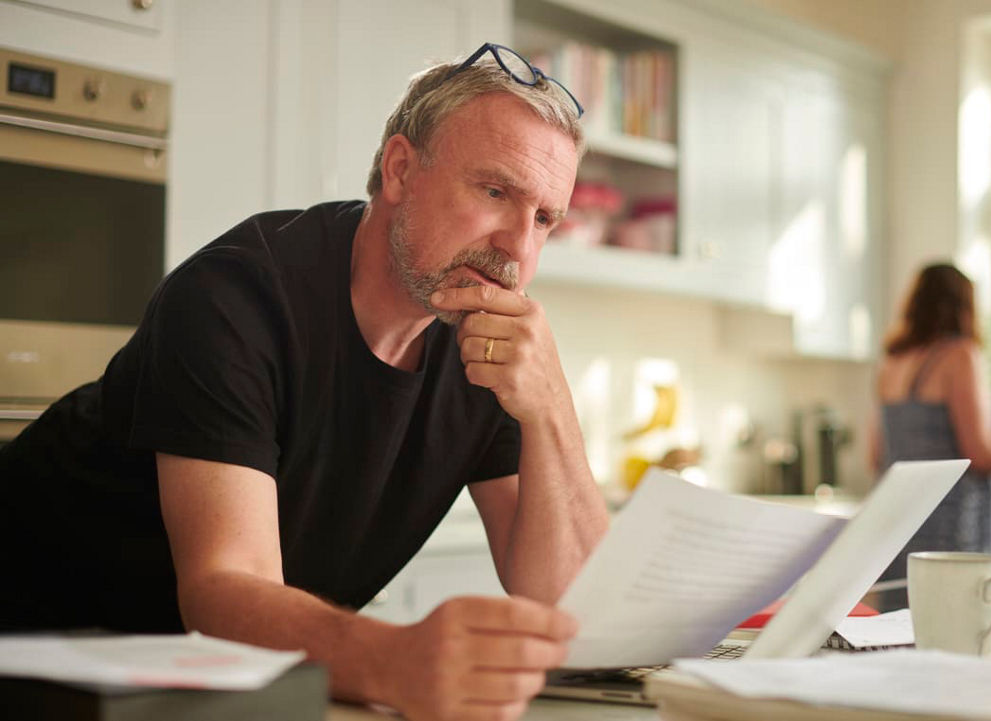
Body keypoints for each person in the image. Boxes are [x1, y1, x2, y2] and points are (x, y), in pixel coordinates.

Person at [0, 43, 610, 720]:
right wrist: (393, 657)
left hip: (205, 688)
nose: (519, 251)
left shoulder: (486, 338)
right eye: (496, 192)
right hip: (36, 645)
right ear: (401, 168)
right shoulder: (237, 296)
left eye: (545, 219)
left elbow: (574, 612)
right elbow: (223, 589)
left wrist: (551, 407)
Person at [867, 263, 991, 580]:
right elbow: (979, 452)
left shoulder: (890, 362)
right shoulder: (960, 356)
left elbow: (874, 456)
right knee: (965, 620)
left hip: (898, 522)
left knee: (900, 623)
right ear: (964, 306)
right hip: (953, 527)